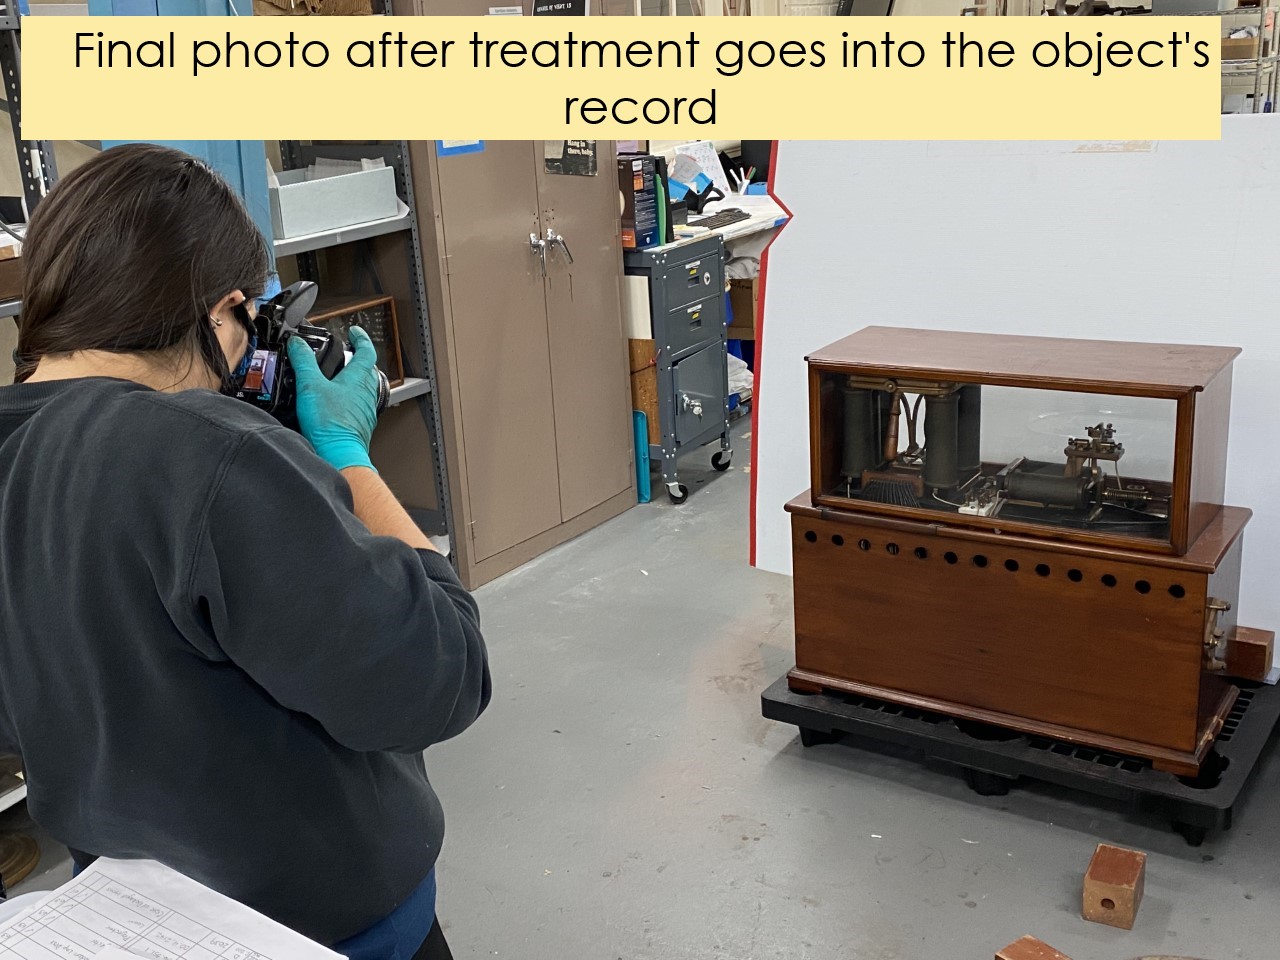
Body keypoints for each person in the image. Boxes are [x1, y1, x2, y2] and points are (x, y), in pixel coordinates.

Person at [0, 144, 491, 960]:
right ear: (225, 308)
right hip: (320, 928)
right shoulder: (211, 455)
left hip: (130, 917)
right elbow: (439, 679)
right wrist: (344, 456)